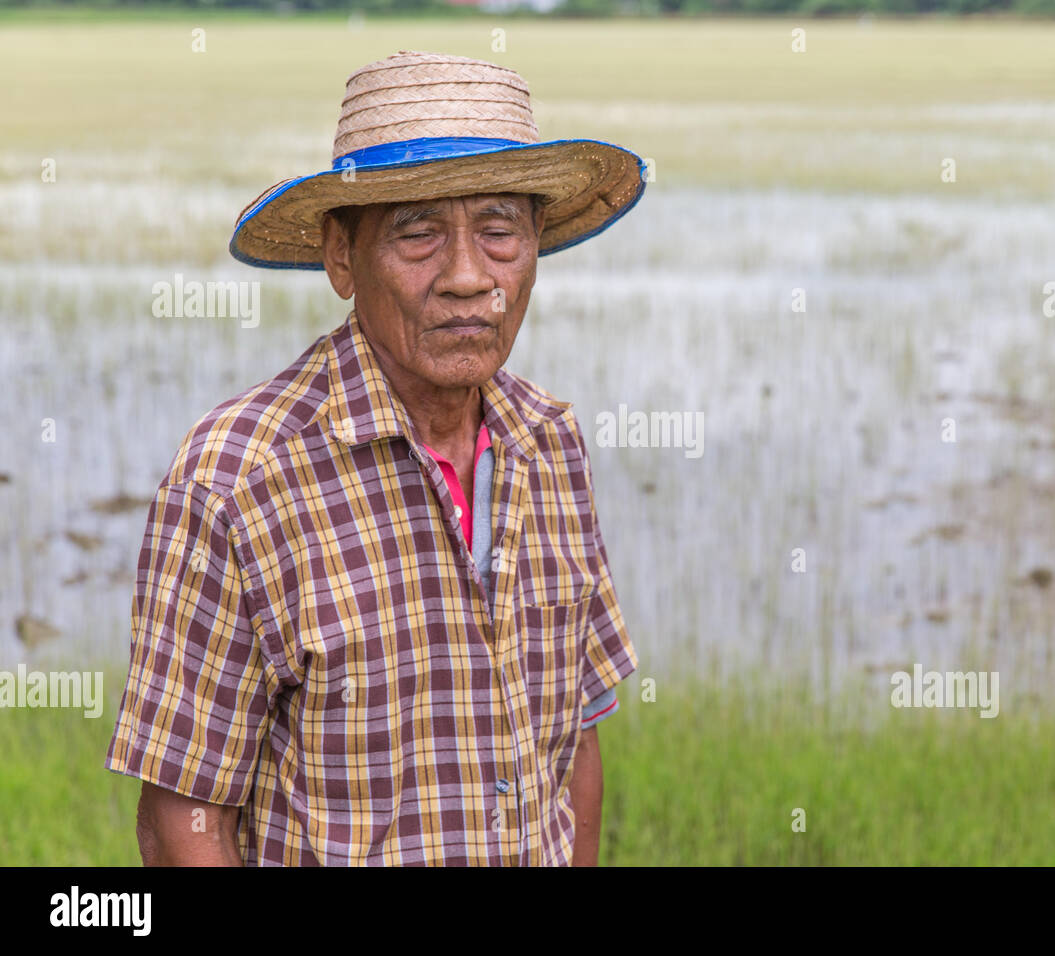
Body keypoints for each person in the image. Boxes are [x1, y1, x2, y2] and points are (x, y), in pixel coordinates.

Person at [104, 51, 647, 866]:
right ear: (340, 256)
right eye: (417, 233)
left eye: (499, 230)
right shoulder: (238, 482)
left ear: (536, 242)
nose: (469, 277)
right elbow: (183, 815)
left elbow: (573, 743)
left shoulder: (551, 443)